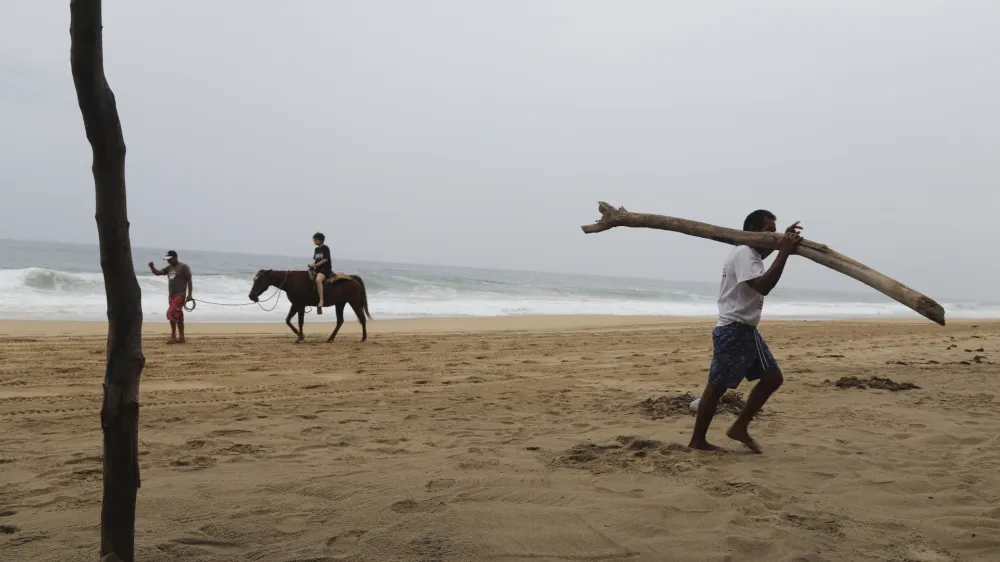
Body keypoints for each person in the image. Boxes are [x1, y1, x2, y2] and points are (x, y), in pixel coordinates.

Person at [688, 210, 802, 454]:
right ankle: (698, 441)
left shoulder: (751, 254)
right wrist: (783, 252)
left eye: (775, 231)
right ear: (752, 230)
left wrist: (784, 244)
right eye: (768, 231)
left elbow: (761, 262)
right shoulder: (743, 252)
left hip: (746, 329)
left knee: (773, 378)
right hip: (733, 329)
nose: (772, 235)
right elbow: (763, 286)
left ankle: (739, 427)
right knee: (716, 387)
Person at [148, 250, 193, 344]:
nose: (168, 261)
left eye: (170, 259)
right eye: (167, 260)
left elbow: (189, 280)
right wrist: (152, 267)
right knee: (179, 317)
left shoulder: (183, 267)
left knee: (171, 313)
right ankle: (182, 337)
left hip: (180, 295)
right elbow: (158, 272)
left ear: (175, 257)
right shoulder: (169, 268)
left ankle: (173, 336)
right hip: (171, 296)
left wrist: (189, 295)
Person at [308, 232, 333, 314]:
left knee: (318, 280)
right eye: (313, 240)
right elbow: (316, 260)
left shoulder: (325, 248)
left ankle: (321, 301)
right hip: (317, 269)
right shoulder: (316, 249)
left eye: (315, 240)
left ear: (320, 240)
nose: (314, 241)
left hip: (325, 270)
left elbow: (325, 260)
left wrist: (315, 264)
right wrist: (312, 264)